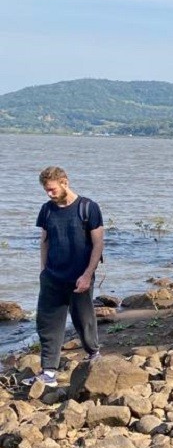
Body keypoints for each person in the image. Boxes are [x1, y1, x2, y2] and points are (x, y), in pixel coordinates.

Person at [23, 166, 104, 387]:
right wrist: (43, 271)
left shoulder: (88, 208)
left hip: (80, 277)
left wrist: (88, 274)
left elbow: (98, 243)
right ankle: (49, 372)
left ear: (64, 182)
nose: (49, 194)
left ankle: (94, 355)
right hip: (52, 277)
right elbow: (45, 241)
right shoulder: (47, 210)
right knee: (47, 323)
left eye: (52, 189)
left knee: (83, 320)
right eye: (46, 191)